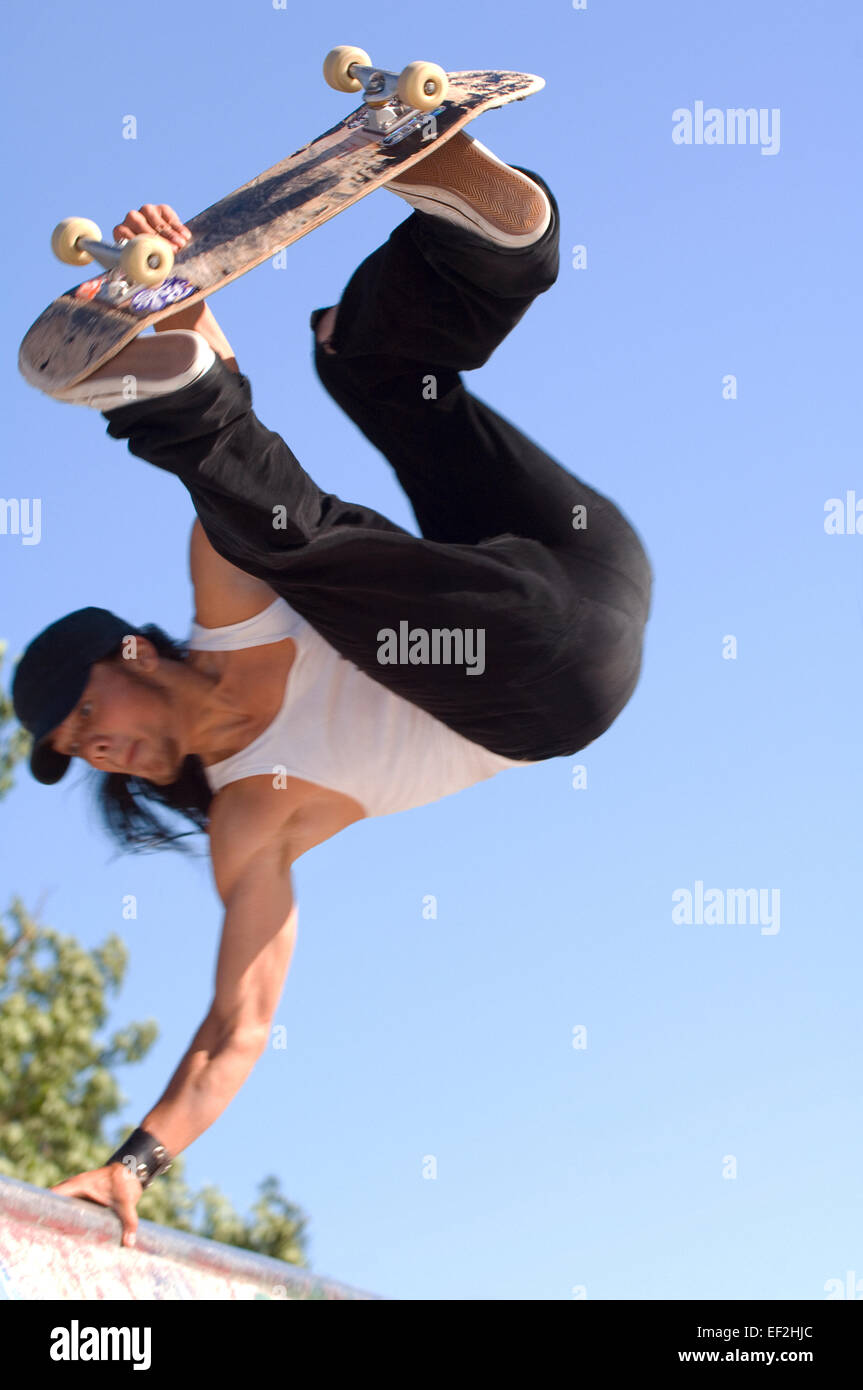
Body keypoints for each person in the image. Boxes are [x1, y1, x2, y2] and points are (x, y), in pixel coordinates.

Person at [12, 131, 652, 1242]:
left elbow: (237, 432)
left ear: (130, 655)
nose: (91, 747)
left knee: (357, 365)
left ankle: (488, 236)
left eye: (82, 713)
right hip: (548, 682)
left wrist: (173, 284)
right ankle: (169, 400)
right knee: (294, 538)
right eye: (75, 751)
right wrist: (135, 1163)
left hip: (573, 560)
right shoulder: (249, 821)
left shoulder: (223, 584)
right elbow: (238, 1024)